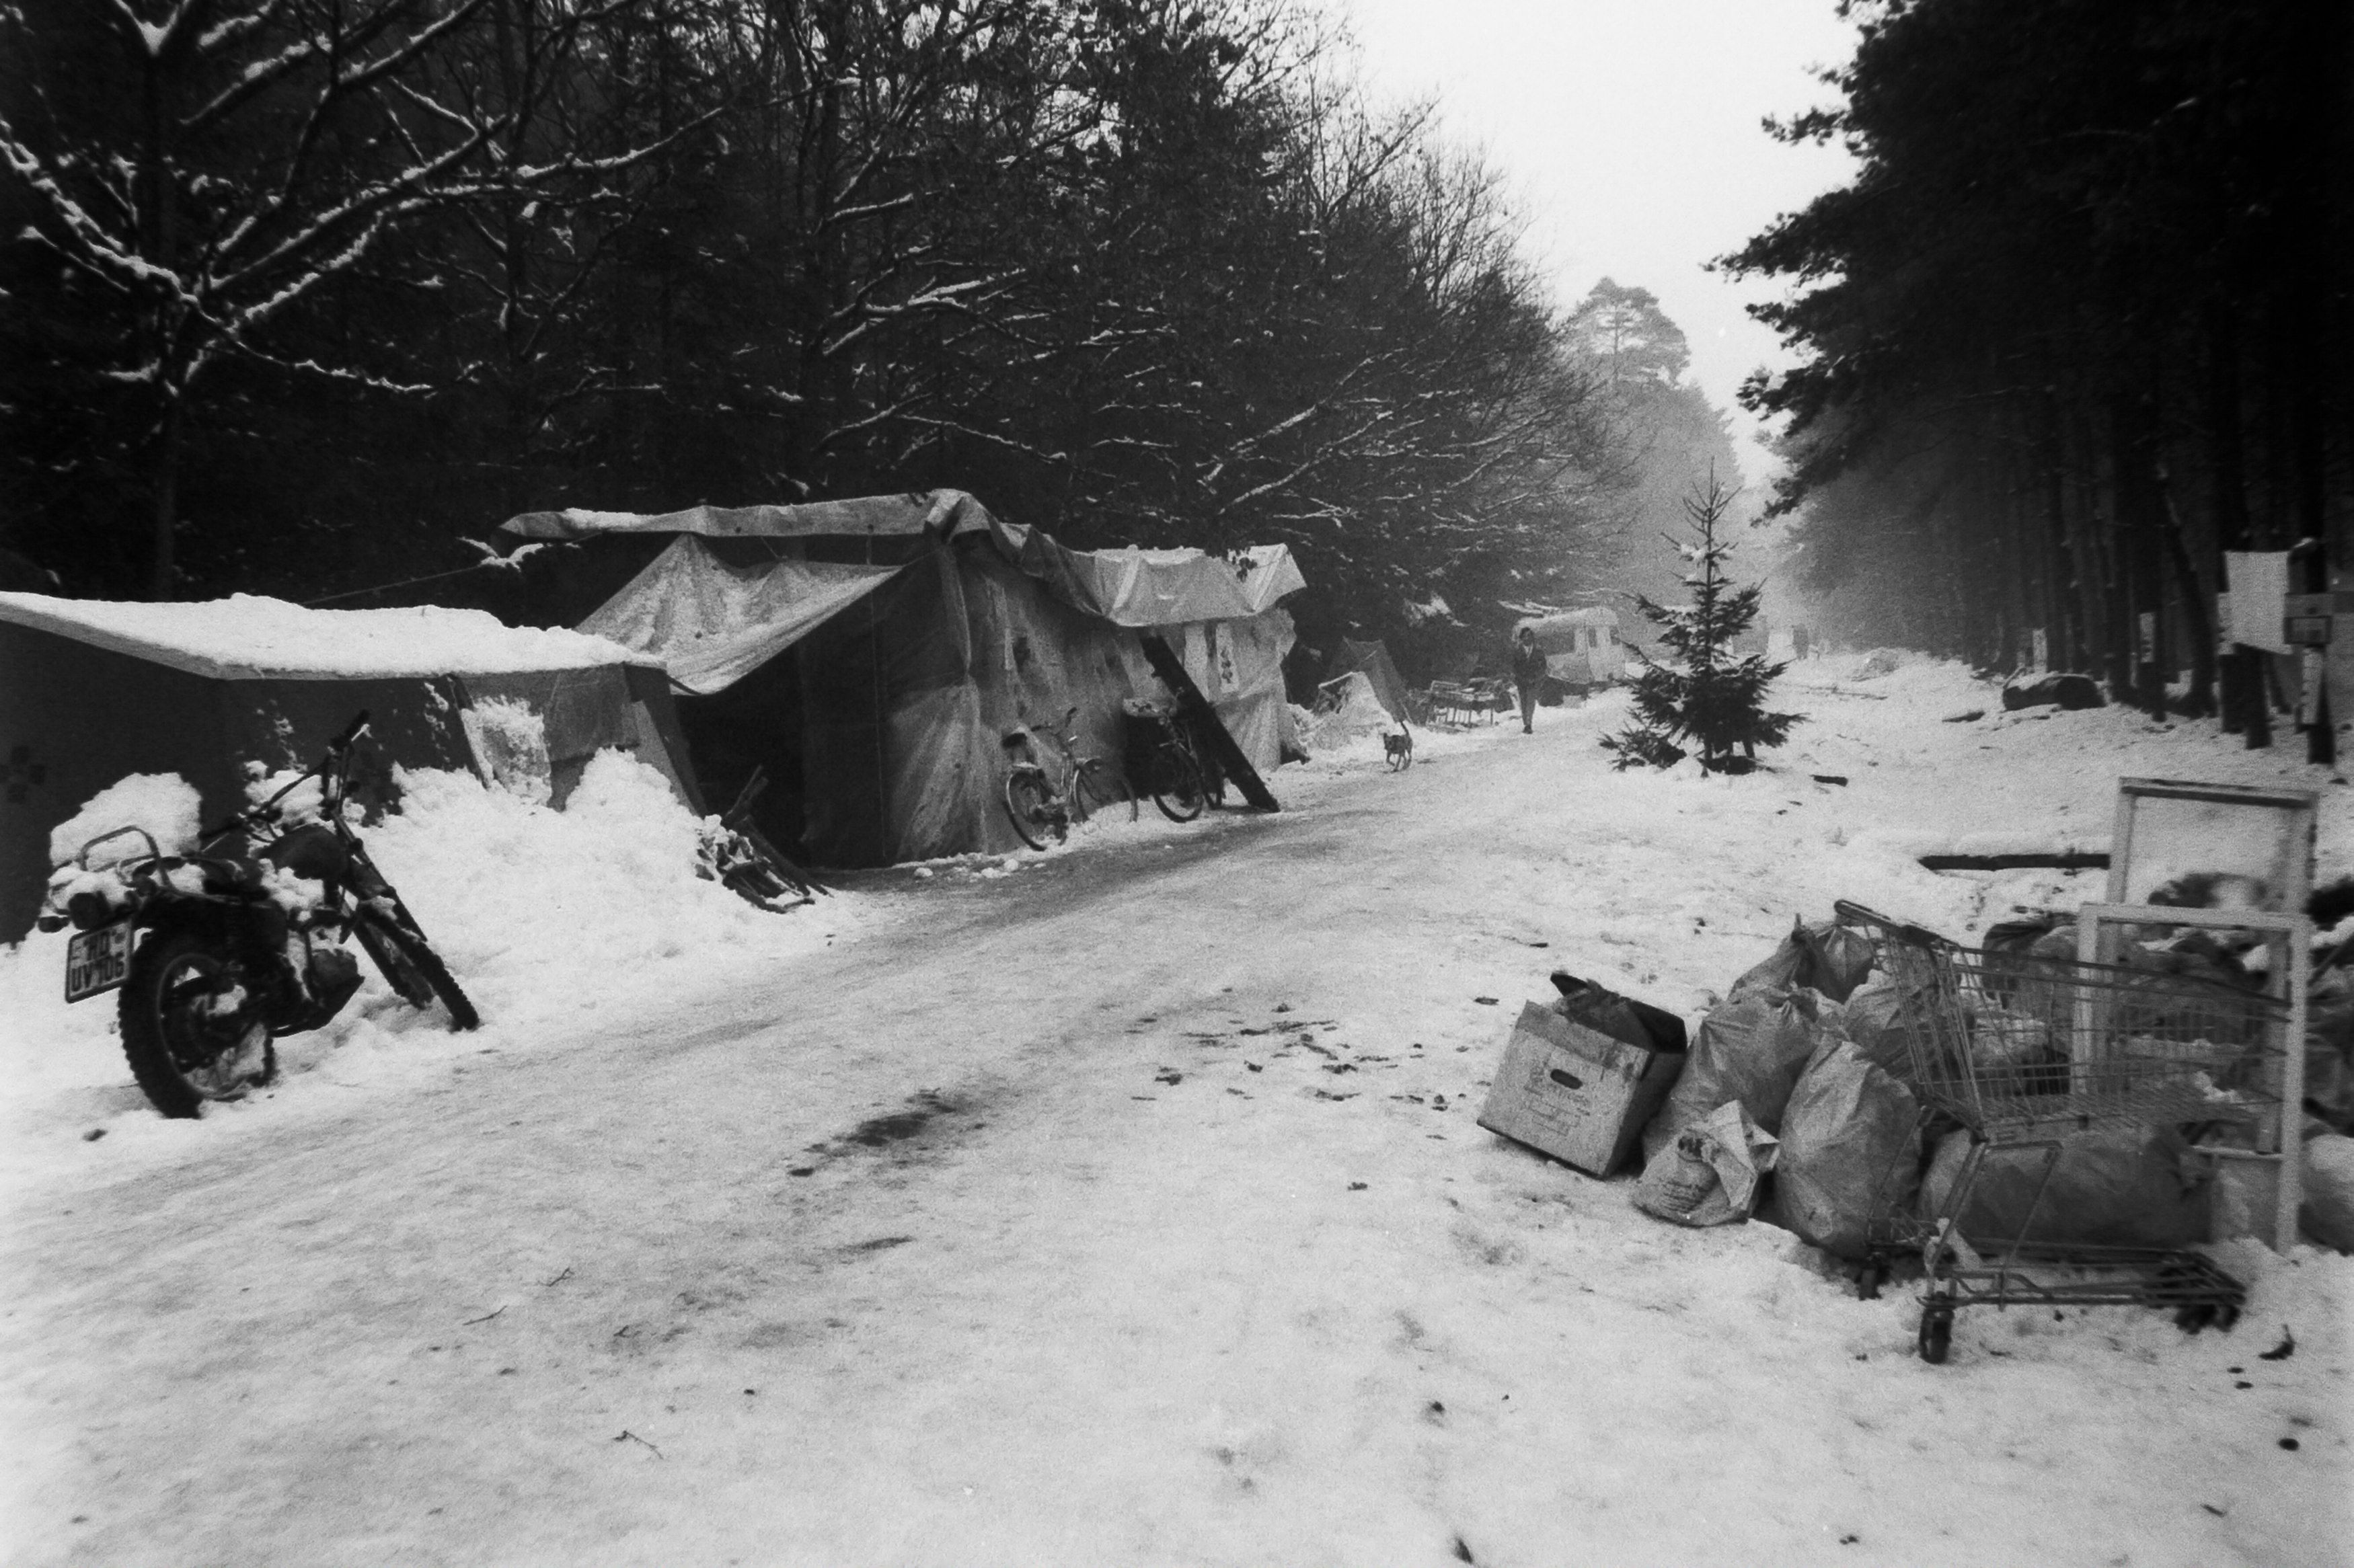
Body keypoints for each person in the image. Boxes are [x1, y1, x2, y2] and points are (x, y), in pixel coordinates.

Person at [1510, 626, 1547, 734]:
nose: (1527, 638)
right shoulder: (1517, 651)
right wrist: (1517, 678)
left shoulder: (1538, 651)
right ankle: (1525, 722)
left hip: (1534, 681)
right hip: (1521, 681)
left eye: (1529, 636)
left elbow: (1543, 666)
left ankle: (1528, 724)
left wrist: (1538, 678)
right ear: (1522, 638)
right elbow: (1513, 667)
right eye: (1525, 636)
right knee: (1524, 702)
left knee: (1531, 702)